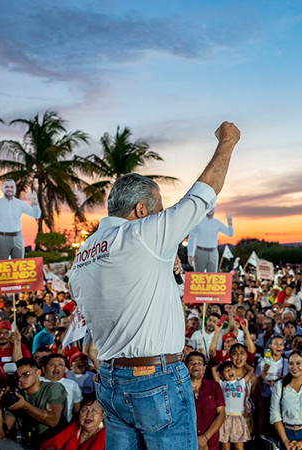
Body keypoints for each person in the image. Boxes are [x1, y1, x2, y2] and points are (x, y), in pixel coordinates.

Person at [67, 121, 240, 449]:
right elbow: (201, 197)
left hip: (111, 381)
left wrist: (166, 270)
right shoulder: (141, 233)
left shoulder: (83, 256)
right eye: (159, 210)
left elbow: (124, 295)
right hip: (155, 381)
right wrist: (228, 142)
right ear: (142, 210)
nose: (163, 217)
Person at [0, 357, 67, 449]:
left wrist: (25, 405)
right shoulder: (16, 396)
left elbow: (53, 420)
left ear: (38, 373)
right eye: (17, 376)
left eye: (26, 374)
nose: (20, 379)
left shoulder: (54, 388)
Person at [270, 350, 302, 450]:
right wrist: (285, 440)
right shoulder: (279, 386)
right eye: (291, 364)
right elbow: (275, 414)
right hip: (285, 433)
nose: (294, 367)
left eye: (298, 363)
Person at [0, 178, 41, 259]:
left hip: (18, 238)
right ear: (2, 188)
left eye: (12, 187)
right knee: (2, 266)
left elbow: (36, 215)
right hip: (1, 239)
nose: (9, 189)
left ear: (15, 189)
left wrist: (35, 203)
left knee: (18, 266)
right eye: (6, 187)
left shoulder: (20, 204)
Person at [186, 352, 226, 450]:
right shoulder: (179, 390)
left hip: (210, 443)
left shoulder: (214, 386)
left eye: (199, 363)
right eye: (192, 363)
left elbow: (221, 415)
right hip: (186, 443)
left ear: (204, 368)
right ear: (186, 367)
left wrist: (205, 438)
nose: (196, 365)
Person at [40, 396, 107, 450]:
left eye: (94, 411)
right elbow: (50, 444)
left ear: (103, 415)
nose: (88, 415)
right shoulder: (76, 427)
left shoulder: (106, 435)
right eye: (84, 410)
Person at [214, 361, 253, 450]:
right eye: (226, 370)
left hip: (238, 417)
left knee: (239, 446)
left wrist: (241, 364)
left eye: (231, 369)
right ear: (222, 375)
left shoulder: (241, 382)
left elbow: (251, 369)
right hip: (225, 418)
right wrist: (220, 364)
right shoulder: (222, 384)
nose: (229, 371)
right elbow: (213, 369)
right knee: (225, 446)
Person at [187, 205, 234, 273]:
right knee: (198, 276)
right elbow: (191, 238)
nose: (211, 210)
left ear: (215, 209)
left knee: (212, 278)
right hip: (200, 252)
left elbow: (230, 234)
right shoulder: (198, 221)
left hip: (214, 253)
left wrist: (230, 224)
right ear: (206, 208)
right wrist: (190, 254)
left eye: (213, 208)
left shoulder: (217, 223)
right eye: (210, 207)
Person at [42, 353, 83, 423]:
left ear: (64, 369)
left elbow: (77, 408)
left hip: (65, 428)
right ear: (44, 369)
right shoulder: (37, 382)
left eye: (60, 365)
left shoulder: (72, 385)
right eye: (52, 365)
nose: (56, 368)